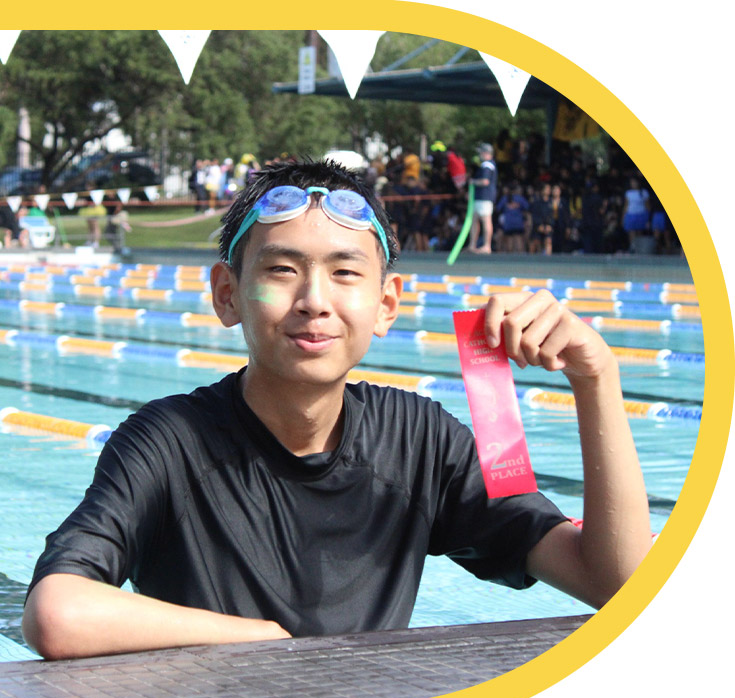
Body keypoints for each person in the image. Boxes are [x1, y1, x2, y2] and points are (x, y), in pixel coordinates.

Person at [22, 159, 651, 660]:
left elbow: (615, 586)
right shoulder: (166, 441)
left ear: (385, 304)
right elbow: (57, 612)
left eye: (346, 272)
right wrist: (268, 642)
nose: (314, 300)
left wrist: (597, 379)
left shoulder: (424, 440)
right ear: (227, 294)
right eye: (282, 269)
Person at [468, 143, 498, 254]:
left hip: (485, 197)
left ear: (485, 153)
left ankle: (487, 245)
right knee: (474, 220)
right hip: (480, 197)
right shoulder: (486, 165)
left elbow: (485, 181)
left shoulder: (487, 165)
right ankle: (472, 245)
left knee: (486, 220)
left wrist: (473, 182)